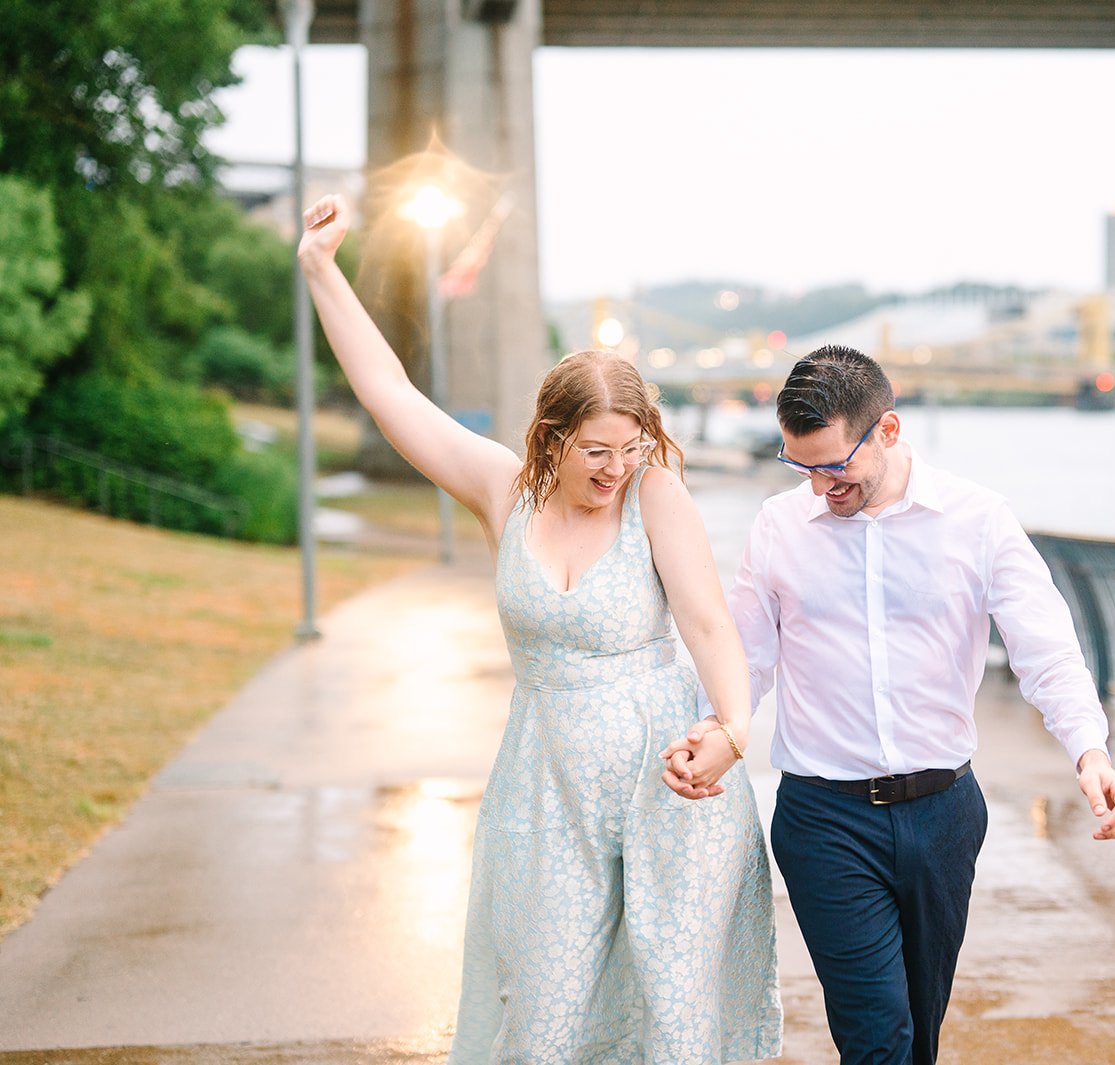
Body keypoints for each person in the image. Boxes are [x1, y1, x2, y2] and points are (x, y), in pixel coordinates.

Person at [296, 194, 781, 1065]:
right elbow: (388, 392)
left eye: (630, 446)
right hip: (544, 783)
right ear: (551, 438)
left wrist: (733, 730)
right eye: (597, 449)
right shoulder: (501, 491)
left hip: (666, 782)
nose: (616, 468)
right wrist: (321, 269)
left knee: (670, 1017)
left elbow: (708, 622)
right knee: (547, 1014)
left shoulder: (654, 492)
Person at [662, 345, 1115, 1065]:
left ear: (887, 431)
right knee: (876, 1033)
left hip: (945, 812)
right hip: (824, 819)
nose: (820, 486)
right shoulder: (779, 527)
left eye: (834, 465)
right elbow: (745, 655)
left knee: (918, 1034)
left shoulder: (978, 520)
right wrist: (713, 729)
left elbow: (1045, 646)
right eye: (802, 467)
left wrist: (1090, 749)